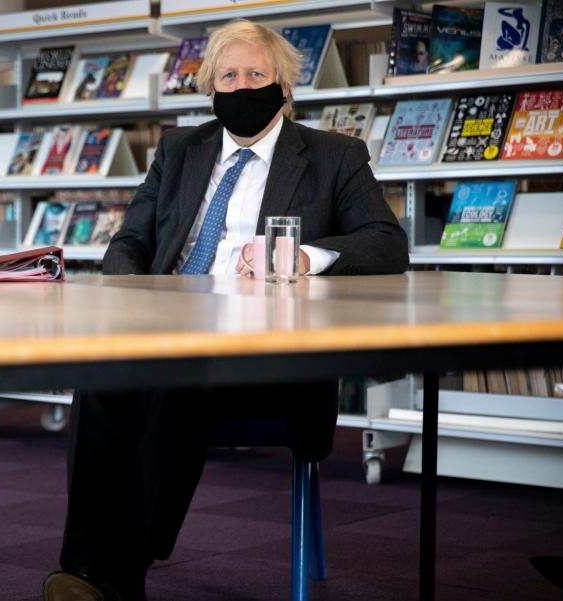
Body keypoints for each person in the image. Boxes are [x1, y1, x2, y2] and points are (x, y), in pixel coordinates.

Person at [43, 19, 408, 601]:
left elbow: (388, 244)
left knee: (172, 380)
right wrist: (135, 297)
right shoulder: (179, 150)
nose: (242, 87)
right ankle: (86, 567)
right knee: (103, 378)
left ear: (285, 86)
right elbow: (128, 243)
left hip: (264, 358)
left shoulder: (335, 156)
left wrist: (302, 255)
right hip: (165, 333)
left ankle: (115, 575)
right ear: (210, 85)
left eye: (257, 75)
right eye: (229, 76)